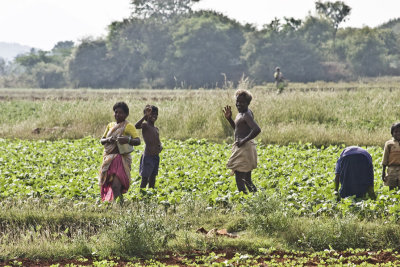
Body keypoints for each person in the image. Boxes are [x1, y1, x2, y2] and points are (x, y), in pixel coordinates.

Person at [99, 102, 140, 202]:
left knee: (117, 186)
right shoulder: (110, 125)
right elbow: (102, 140)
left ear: (126, 114)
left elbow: (138, 141)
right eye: (116, 112)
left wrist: (127, 140)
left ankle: (119, 207)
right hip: (109, 160)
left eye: (121, 113)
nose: (117, 115)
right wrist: (109, 140)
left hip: (121, 160)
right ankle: (119, 206)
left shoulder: (128, 126)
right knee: (113, 186)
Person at [223, 89, 261, 193]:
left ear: (248, 103)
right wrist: (229, 119)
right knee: (247, 180)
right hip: (245, 147)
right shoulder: (241, 113)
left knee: (240, 181)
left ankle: (244, 204)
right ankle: (256, 199)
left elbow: (257, 129)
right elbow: (238, 129)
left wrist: (243, 140)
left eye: (242, 102)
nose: (239, 104)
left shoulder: (246, 115)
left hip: (245, 148)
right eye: (237, 102)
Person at [135, 105, 162, 189]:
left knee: (153, 178)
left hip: (155, 157)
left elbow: (158, 140)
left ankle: (151, 194)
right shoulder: (145, 126)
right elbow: (136, 126)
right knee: (145, 178)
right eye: (151, 114)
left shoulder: (156, 128)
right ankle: (142, 194)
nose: (154, 116)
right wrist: (145, 116)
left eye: (155, 114)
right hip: (148, 156)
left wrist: (160, 146)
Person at [382, 122, 400, 190]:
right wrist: (383, 171)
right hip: (392, 170)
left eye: (399, 131)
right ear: (392, 133)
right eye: (396, 131)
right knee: (392, 189)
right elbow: (385, 158)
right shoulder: (389, 144)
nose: (398, 133)